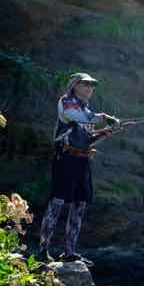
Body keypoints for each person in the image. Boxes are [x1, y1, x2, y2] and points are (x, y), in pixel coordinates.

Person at [37, 73, 119, 266]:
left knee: (80, 204)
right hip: (65, 159)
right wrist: (106, 118)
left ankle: (70, 252)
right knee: (56, 203)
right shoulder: (66, 102)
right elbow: (81, 118)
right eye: (86, 84)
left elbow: (88, 139)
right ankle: (42, 251)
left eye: (92, 85)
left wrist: (107, 132)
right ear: (74, 86)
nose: (90, 88)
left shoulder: (85, 109)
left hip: (82, 161)